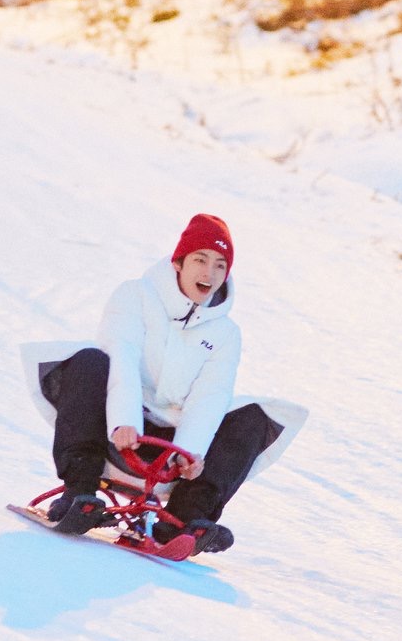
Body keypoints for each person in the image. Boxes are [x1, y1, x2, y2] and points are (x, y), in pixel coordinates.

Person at [27, 213, 300, 556]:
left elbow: (210, 396)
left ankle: (182, 520)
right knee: (91, 361)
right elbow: (121, 357)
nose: (209, 273)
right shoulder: (135, 296)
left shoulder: (225, 334)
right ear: (178, 262)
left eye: (219, 265)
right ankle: (79, 495)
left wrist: (190, 452)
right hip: (113, 430)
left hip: (169, 456)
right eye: (200, 260)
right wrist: (124, 420)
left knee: (254, 415)